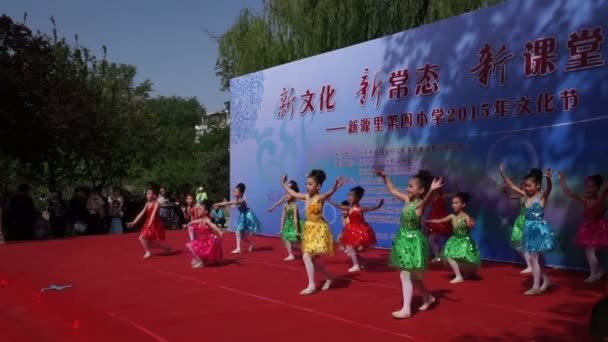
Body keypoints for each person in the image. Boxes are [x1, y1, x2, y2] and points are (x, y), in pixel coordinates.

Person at [374, 169, 442, 318]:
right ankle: (428, 297)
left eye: (411, 186)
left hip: (413, 242)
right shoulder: (407, 200)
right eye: (408, 186)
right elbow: (392, 190)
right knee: (414, 277)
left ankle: (406, 309)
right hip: (403, 240)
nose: (407, 188)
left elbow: (426, 200)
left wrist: (431, 190)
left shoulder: (419, 205)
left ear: (421, 190)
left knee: (405, 275)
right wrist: (385, 177)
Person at [281, 170, 343, 295]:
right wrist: (283, 183)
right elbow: (293, 192)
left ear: (318, 186)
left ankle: (312, 285)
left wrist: (335, 187)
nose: (307, 186)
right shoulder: (306, 196)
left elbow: (329, 193)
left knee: (306, 256)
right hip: (309, 230)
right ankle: (329, 278)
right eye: (306, 184)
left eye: (310, 184)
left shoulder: (319, 197)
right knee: (311, 260)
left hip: (319, 230)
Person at [501, 164, 554, 295]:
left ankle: (536, 287)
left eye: (529, 186)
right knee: (534, 259)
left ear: (537, 186)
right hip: (528, 229)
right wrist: (503, 174)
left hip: (537, 230)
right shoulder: (525, 196)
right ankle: (546, 280)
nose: (526, 188)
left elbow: (549, 190)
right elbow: (512, 186)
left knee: (534, 258)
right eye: (525, 186)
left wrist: (548, 179)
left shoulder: (540, 197)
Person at [558, 172, 608, 282]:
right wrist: (561, 180)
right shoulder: (585, 200)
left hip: (598, 229)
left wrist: (603, 190)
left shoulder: (601, 200)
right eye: (587, 186)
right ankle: (600, 269)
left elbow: (605, 190)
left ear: (598, 188)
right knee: (589, 251)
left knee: (590, 251)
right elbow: (569, 192)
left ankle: (593, 275)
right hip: (587, 228)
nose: (588, 189)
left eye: (592, 187)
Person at [426, 192, 479, 284]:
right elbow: (440, 220)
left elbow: (470, 226)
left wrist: (471, 225)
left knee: (465, 259)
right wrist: (428, 220)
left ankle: (466, 274)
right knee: (449, 256)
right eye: (452, 203)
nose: (453, 205)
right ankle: (460, 275)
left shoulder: (466, 216)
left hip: (464, 241)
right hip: (455, 240)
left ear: (463, 205)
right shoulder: (452, 216)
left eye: (456, 203)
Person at [328, 186, 383, 272]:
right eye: (349, 195)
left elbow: (370, 208)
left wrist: (379, 206)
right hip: (351, 230)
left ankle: (356, 265)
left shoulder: (360, 209)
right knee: (349, 248)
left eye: (352, 195)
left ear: (358, 198)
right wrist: (330, 201)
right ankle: (360, 262)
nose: (349, 197)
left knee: (350, 248)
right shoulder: (349, 208)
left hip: (359, 230)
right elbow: (339, 206)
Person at [127, 186, 174, 259]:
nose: (147, 195)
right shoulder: (147, 204)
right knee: (150, 243)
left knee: (141, 238)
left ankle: (148, 252)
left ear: (154, 195)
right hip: (149, 222)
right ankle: (166, 248)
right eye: (147, 194)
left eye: (149, 194)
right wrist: (134, 222)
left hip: (155, 223)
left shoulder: (156, 203)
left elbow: (153, 214)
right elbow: (141, 213)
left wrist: (149, 224)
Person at [215, 183, 261, 254]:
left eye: (236, 192)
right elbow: (227, 203)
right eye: (234, 191)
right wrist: (216, 204)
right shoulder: (236, 200)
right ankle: (252, 244)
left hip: (247, 216)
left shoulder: (242, 200)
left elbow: (241, 202)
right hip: (242, 216)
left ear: (240, 193)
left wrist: (235, 203)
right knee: (242, 236)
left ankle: (238, 248)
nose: (234, 193)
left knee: (237, 230)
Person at [502, 182, 533, 273]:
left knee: (526, 244)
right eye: (521, 187)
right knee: (517, 244)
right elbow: (509, 196)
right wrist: (505, 190)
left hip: (527, 221)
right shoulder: (521, 197)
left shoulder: (530, 197)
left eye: (524, 187)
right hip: (520, 220)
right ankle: (530, 264)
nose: (522, 188)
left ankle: (531, 266)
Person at [185, 199, 223, 268]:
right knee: (192, 246)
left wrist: (219, 231)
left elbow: (213, 225)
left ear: (206, 212)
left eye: (200, 209)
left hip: (209, 241)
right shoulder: (201, 219)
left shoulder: (207, 220)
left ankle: (202, 262)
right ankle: (204, 260)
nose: (198, 211)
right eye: (198, 209)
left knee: (190, 246)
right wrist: (187, 225)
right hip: (203, 240)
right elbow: (193, 222)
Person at [279, 181, 303, 260]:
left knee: (298, 240)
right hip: (288, 224)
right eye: (286, 193)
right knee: (287, 238)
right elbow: (283, 217)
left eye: (289, 194)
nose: (287, 195)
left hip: (295, 224)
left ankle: (306, 252)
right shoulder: (285, 205)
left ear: (293, 195)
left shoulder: (294, 205)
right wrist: (281, 229)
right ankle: (291, 254)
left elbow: (295, 218)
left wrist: (296, 230)